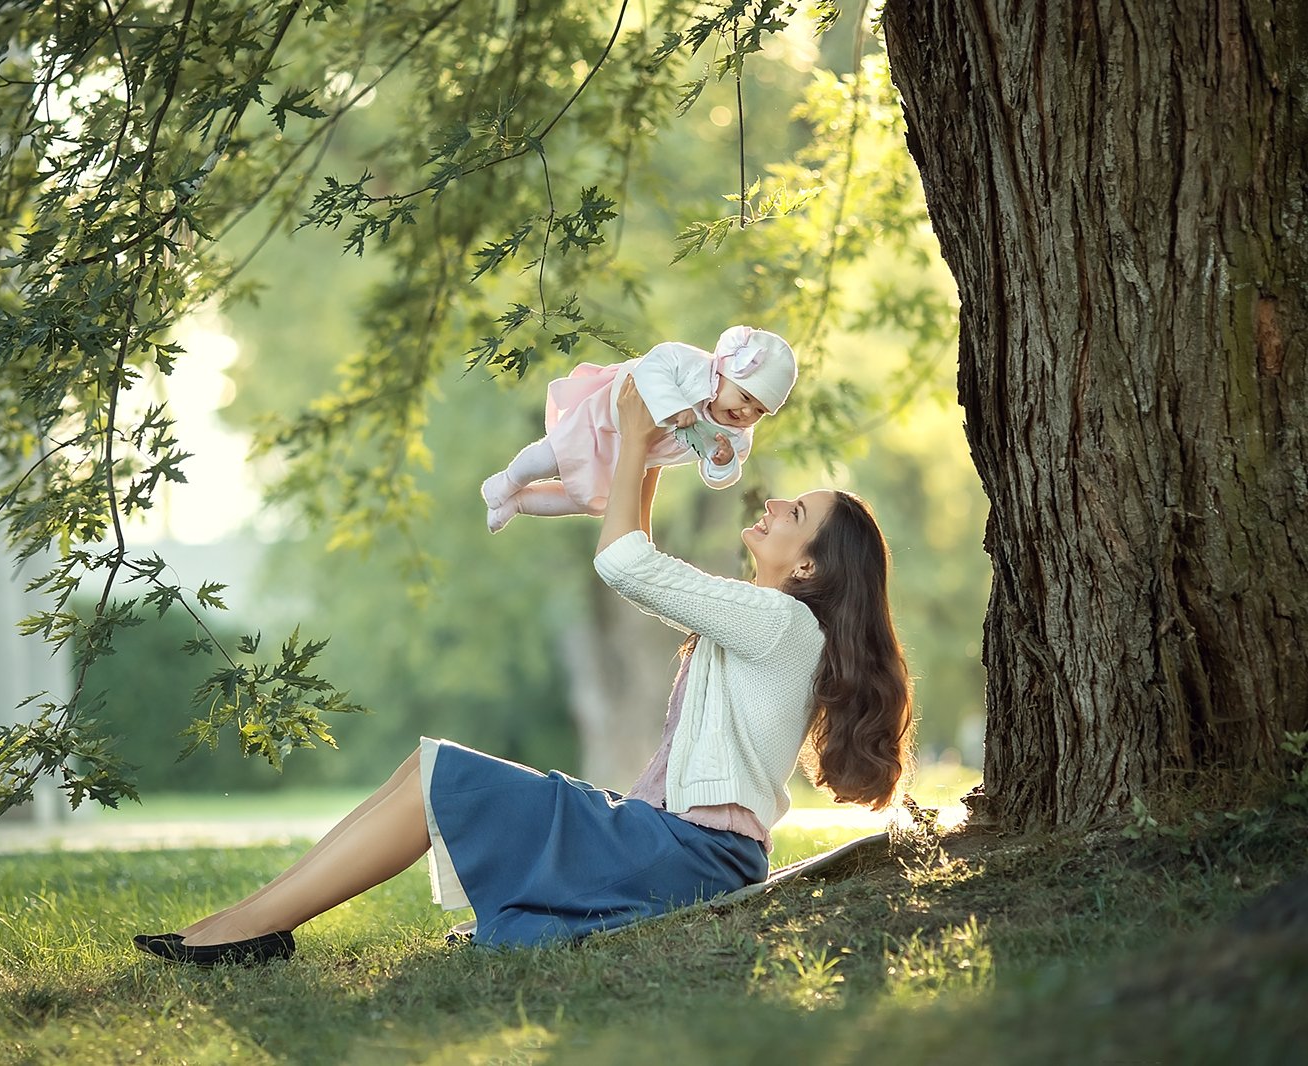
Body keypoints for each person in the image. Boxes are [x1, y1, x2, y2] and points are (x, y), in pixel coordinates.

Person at [135, 377, 912, 966]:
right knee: (426, 770)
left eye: (796, 513)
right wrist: (640, 453)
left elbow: (623, 562)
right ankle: (253, 924)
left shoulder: (779, 623)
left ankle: (252, 930)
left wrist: (637, 428)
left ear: (808, 564)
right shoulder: (767, 621)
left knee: (445, 774)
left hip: (686, 857)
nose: (774, 503)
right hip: (675, 847)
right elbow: (634, 546)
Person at [480, 324, 798, 533]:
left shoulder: (735, 438)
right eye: (744, 398)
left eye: (759, 411)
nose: (746, 413)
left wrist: (723, 463)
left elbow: (723, 477)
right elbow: (651, 368)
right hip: (603, 420)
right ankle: (507, 481)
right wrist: (675, 406)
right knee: (549, 457)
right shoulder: (689, 364)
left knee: (594, 503)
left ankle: (519, 503)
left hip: (631, 456)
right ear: (725, 372)